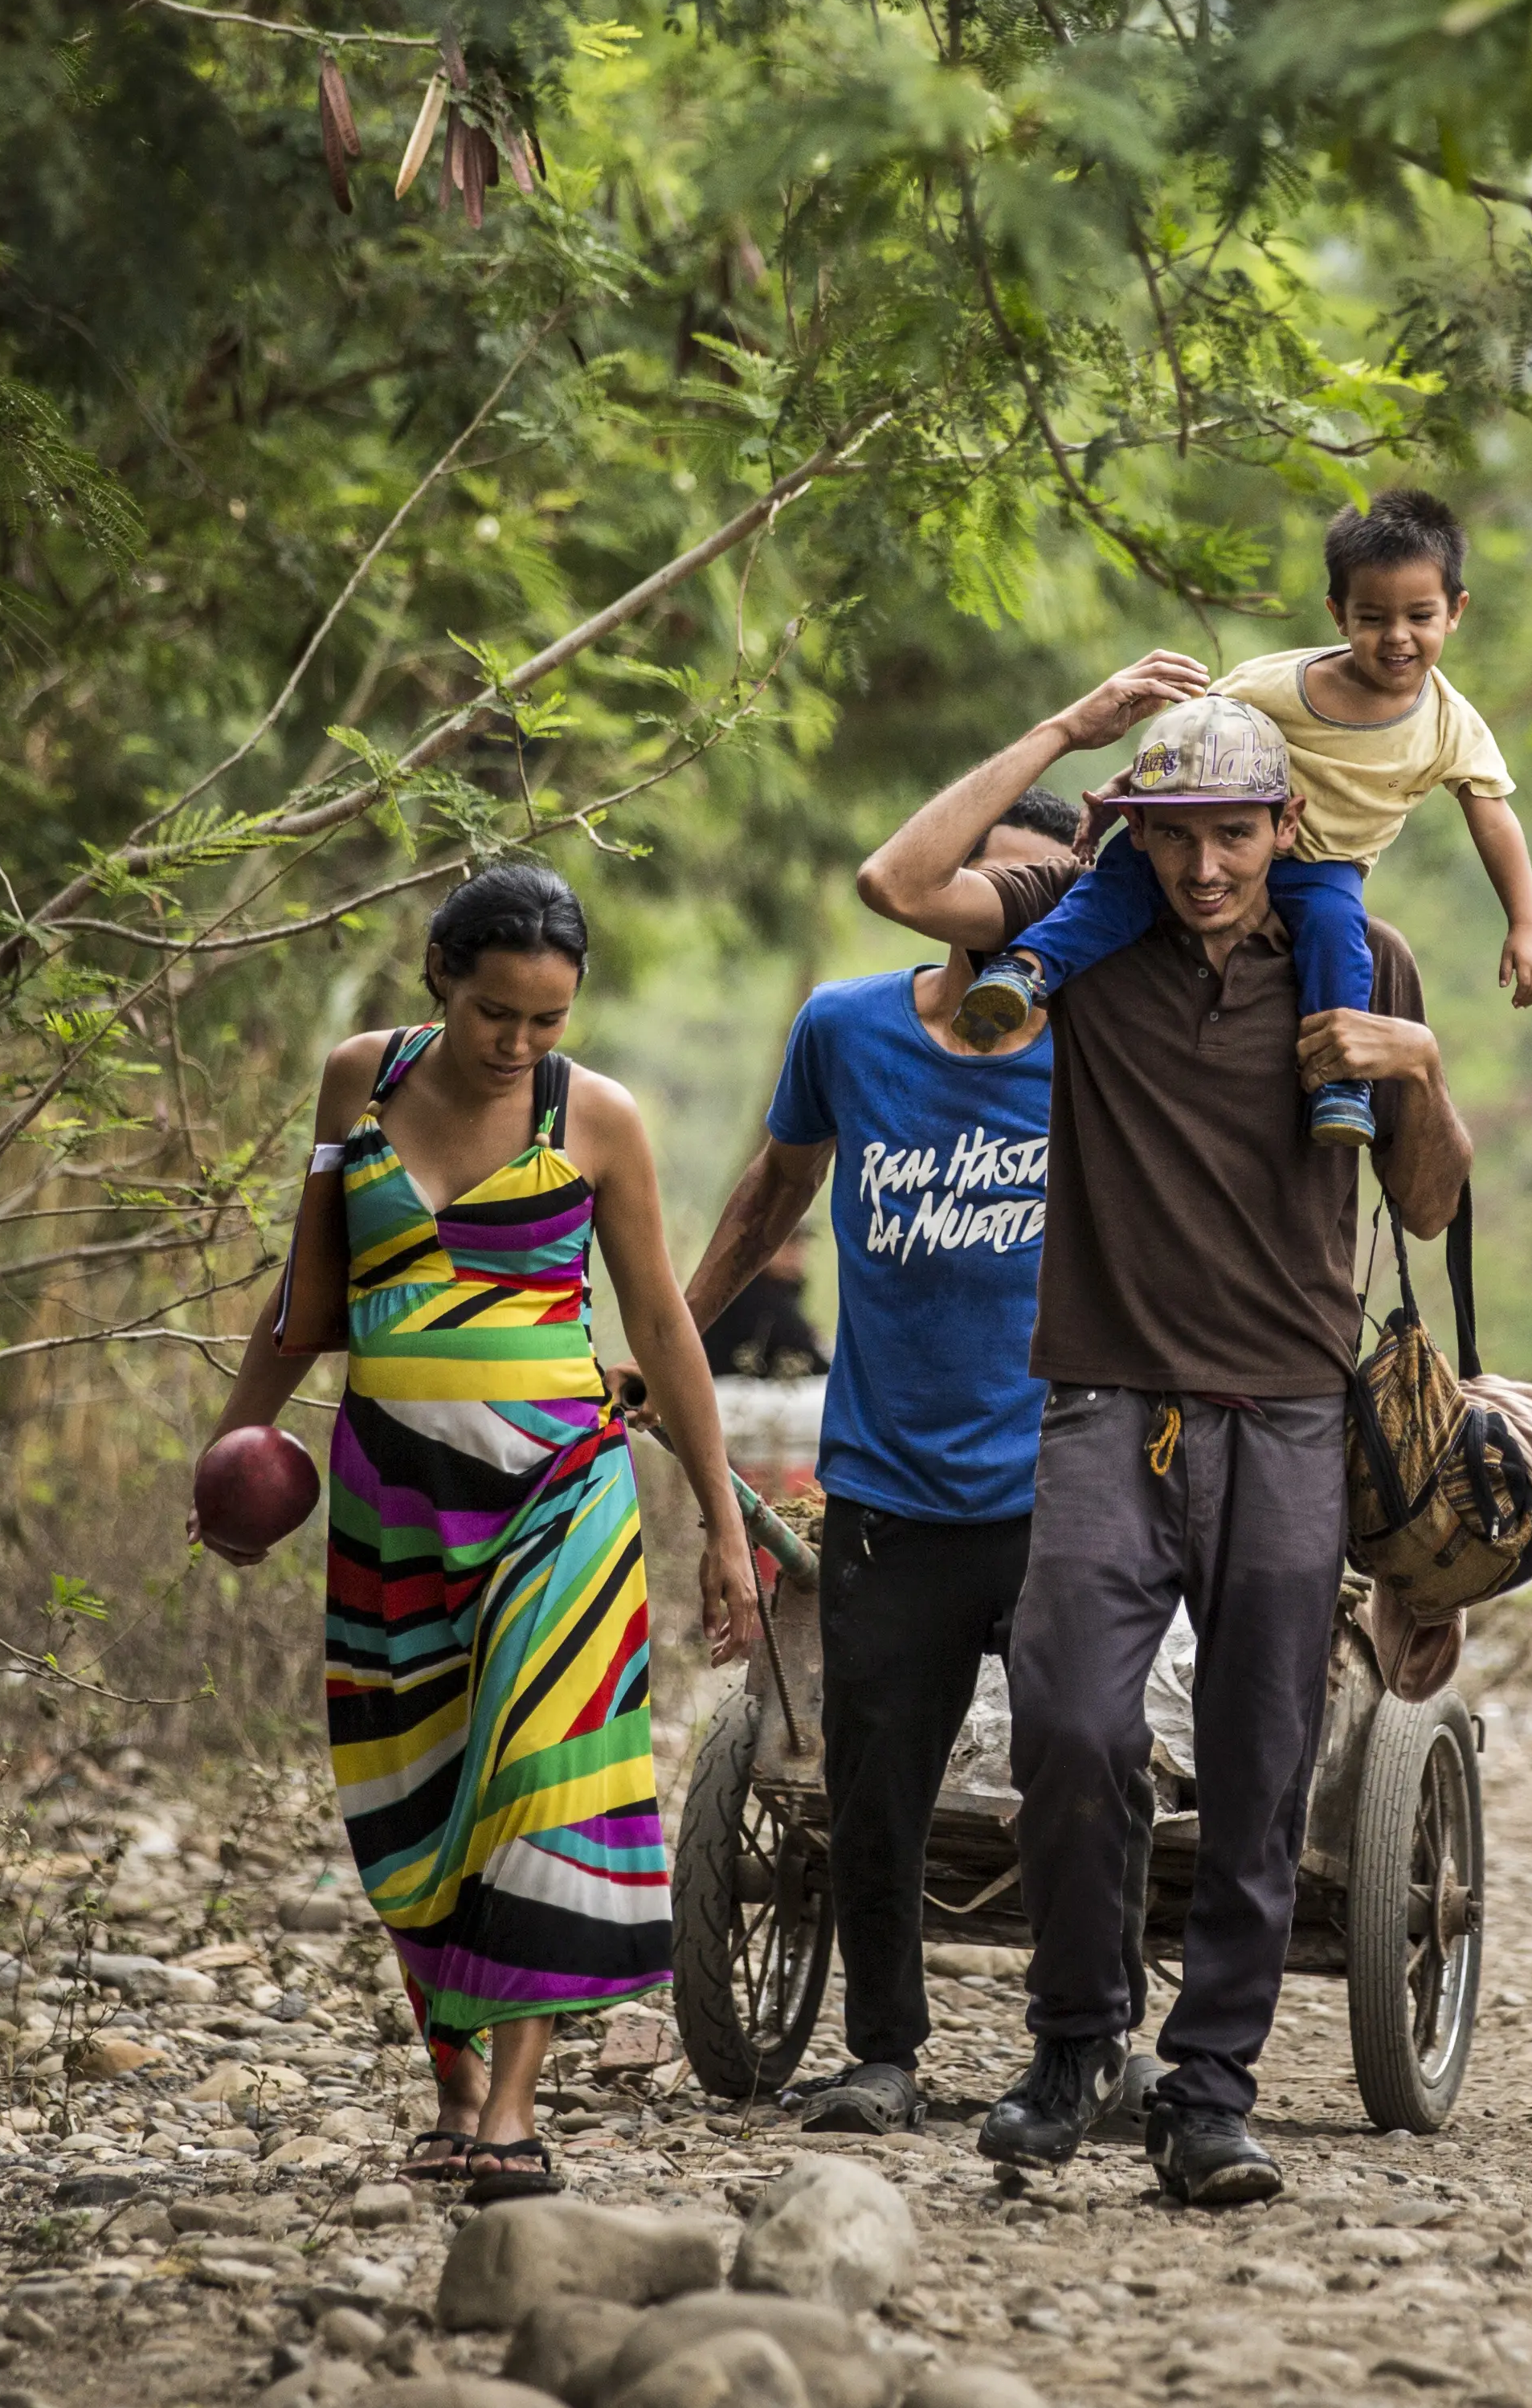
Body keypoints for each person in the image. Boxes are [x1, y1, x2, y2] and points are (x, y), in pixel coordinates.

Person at [858, 667, 1474, 2206]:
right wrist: (1067, 730)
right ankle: (1076, 2043)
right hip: (1103, 1404)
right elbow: (900, 882)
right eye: (1178, 835)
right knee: (1071, 1722)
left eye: (1236, 836)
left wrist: (1422, 1070)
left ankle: (1210, 2096)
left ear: (1287, 825)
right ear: (1143, 832)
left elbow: (1428, 1207)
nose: (1206, 869)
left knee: (1265, 1763)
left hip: (1286, 1415)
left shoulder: (1364, 959)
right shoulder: (1093, 929)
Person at [206, 863, 758, 2199]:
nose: (517, 1043)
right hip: (390, 1496)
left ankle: (512, 2113)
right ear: (444, 976)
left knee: (537, 1785)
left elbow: (663, 1331)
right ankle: (450, 2090)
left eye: (546, 1021)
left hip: (561, 1497)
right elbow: (311, 1289)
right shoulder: (359, 1082)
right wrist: (232, 1456)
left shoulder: (599, 1121)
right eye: (496, 1013)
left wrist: (725, 1527)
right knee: (413, 1796)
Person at [679, 783, 1123, 2139]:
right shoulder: (848, 1029)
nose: (1014, 917)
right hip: (887, 1484)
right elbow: (770, 1195)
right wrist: (673, 1340)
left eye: (1054, 896)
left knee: (1095, 1759)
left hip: (1066, 1480)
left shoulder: (1111, 1047)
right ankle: (885, 2051)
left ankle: (1094, 2043)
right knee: (874, 1780)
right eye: (993, 887)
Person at [953, 488, 1532, 1145]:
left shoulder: (1451, 725)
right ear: (1338, 614)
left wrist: (1524, 925)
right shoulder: (1274, 684)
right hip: (1219, 837)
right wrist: (1125, 793)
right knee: (1119, 881)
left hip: (1324, 866)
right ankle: (1026, 971)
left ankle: (1340, 1084)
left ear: (1455, 611)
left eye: (1420, 616)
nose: (1397, 636)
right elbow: (1187, 739)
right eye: (1373, 617)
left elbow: (1493, 818)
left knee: (1338, 939)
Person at [697, 1231, 831, 1381]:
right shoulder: (757, 1297)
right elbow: (819, 1364)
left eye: (803, 1241)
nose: (798, 1251)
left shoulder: (766, 1291)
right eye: (789, 1241)